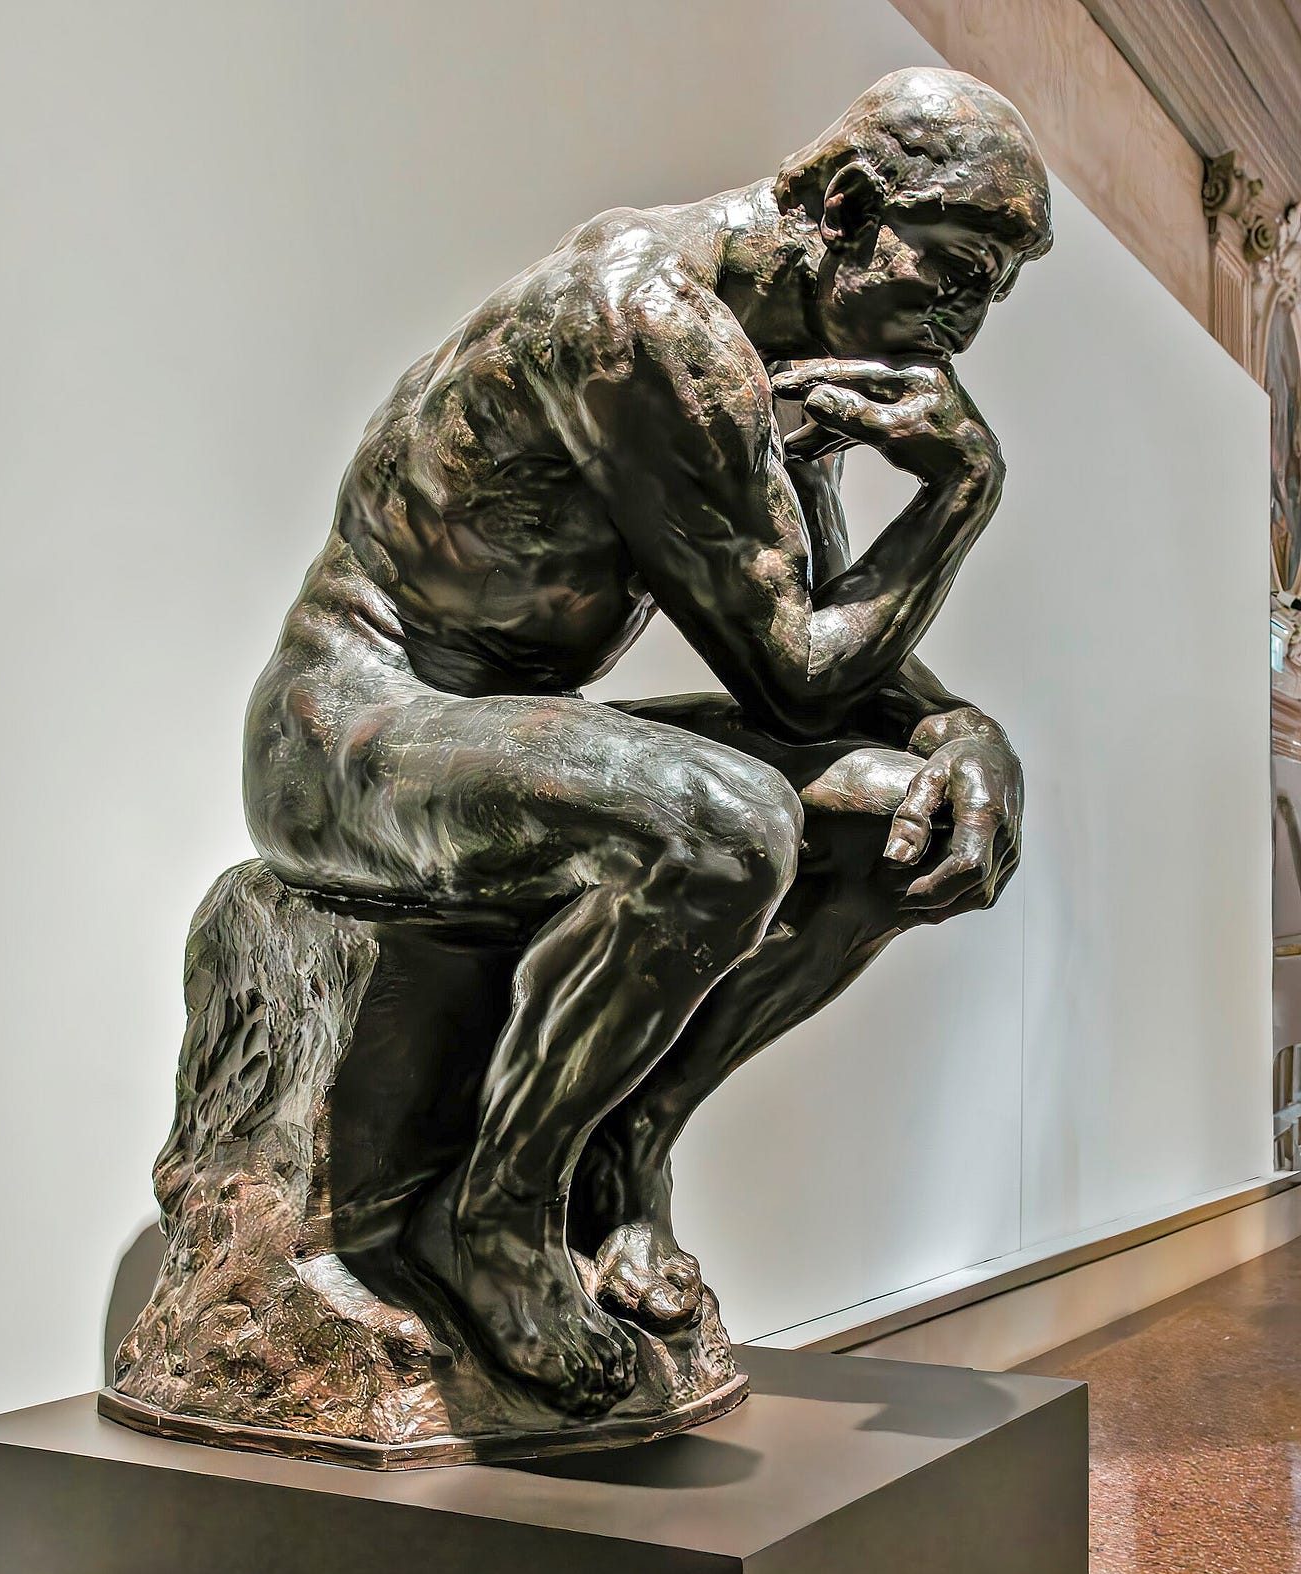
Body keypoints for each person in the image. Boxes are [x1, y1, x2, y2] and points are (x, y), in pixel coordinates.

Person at [243, 67, 1052, 1415]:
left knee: (901, 821)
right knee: (731, 824)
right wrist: (963, 490)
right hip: (349, 729)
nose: (966, 322)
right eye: (958, 270)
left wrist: (961, 730)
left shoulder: (775, 354)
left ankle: (624, 1147)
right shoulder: (644, 319)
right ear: (851, 209)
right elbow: (799, 678)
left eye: (995, 289)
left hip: (491, 727)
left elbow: (809, 626)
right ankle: (493, 1212)